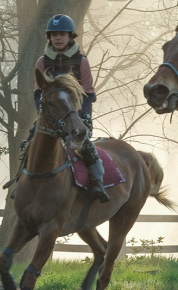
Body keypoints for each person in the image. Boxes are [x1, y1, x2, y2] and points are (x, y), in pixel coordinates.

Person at [33, 14, 109, 203]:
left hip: (76, 114)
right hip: (50, 116)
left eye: (62, 34)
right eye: (54, 35)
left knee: (86, 148)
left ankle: (98, 183)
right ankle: (22, 181)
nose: (58, 38)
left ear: (70, 37)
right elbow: (37, 94)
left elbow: (88, 94)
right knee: (29, 145)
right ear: (49, 38)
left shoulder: (81, 62)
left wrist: (81, 119)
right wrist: (43, 115)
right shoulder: (42, 62)